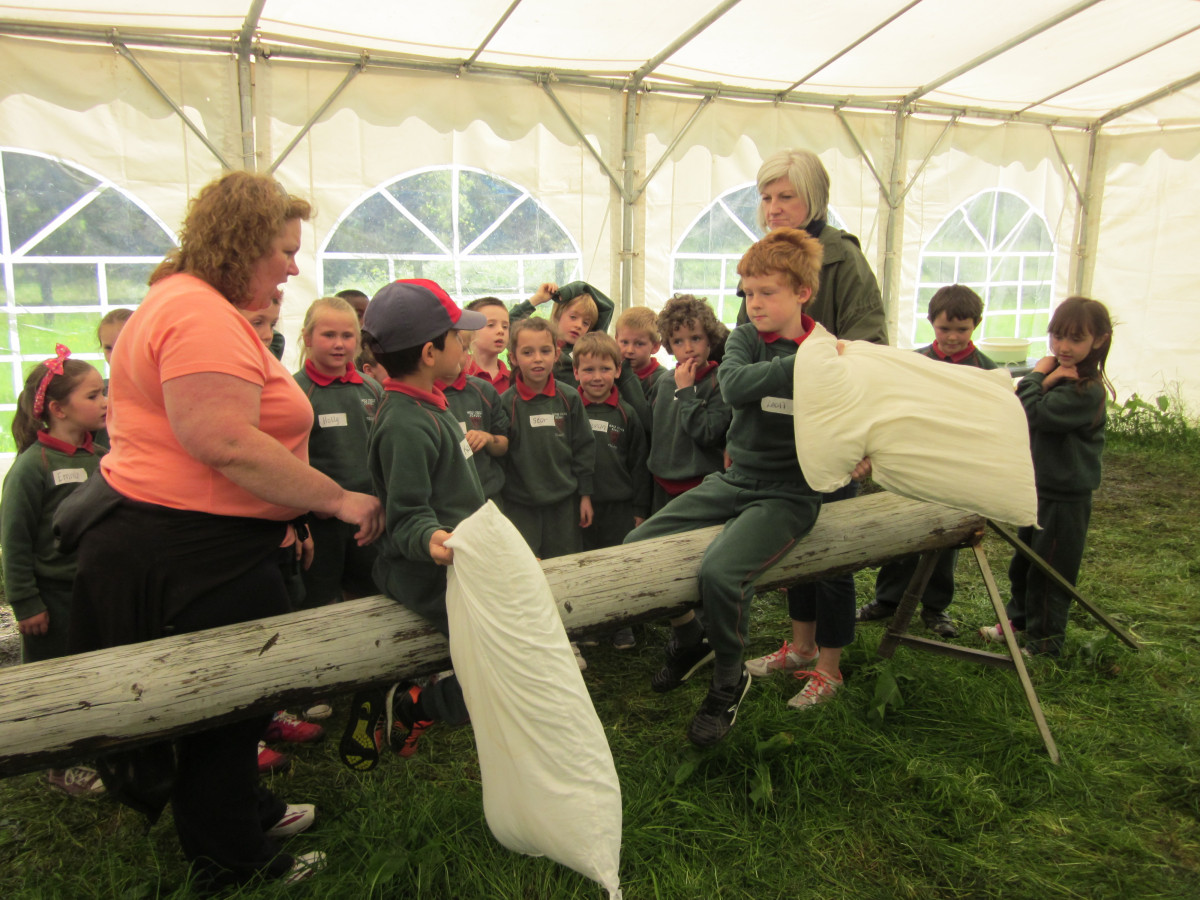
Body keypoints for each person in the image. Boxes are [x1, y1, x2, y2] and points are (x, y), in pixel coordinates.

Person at [65, 171, 383, 891]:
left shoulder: (186, 300)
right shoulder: (198, 315)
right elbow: (225, 443)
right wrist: (335, 500)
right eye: (285, 250)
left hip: (201, 541)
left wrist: (284, 514)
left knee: (238, 701)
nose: (294, 267)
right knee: (225, 705)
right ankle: (231, 861)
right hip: (191, 552)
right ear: (243, 243)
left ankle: (244, 812)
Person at [624, 229, 846, 746]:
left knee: (721, 572)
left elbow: (845, 411)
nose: (755, 303)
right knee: (637, 545)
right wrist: (803, 365)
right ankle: (689, 636)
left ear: (802, 293)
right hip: (734, 479)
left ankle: (728, 677)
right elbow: (737, 385)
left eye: (767, 292)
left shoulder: (826, 347)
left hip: (789, 494)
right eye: (747, 293)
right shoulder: (748, 339)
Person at [739, 148, 888, 687]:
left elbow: (869, 346)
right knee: (794, 543)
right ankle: (801, 646)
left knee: (831, 549)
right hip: (780, 432)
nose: (774, 208)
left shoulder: (842, 259)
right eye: (766, 197)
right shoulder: (761, 256)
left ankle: (830, 666)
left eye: (786, 196)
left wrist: (858, 437)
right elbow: (746, 342)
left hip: (832, 425)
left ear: (815, 199)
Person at [337, 279, 488, 769]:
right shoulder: (405, 422)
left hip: (457, 562)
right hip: (426, 573)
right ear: (429, 353)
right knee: (499, 660)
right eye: (457, 336)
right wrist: (432, 538)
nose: (464, 343)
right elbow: (407, 517)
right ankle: (416, 706)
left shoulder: (429, 403)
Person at [855, 285, 997, 638]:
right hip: (914, 463)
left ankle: (935, 607)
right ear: (931, 322)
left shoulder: (986, 370)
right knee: (901, 531)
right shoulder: (914, 363)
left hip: (956, 468)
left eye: (962, 329)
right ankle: (887, 599)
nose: (952, 337)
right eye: (944, 328)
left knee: (946, 538)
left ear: (976, 325)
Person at [981, 296, 1113, 658]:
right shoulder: (1061, 378)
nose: (1063, 347)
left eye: (1075, 339)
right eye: (1057, 336)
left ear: (1099, 340)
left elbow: (1030, 411)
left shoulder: (1085, 390)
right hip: (1038, 488)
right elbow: (1020, 403)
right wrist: (1047, 377)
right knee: (1024, 563)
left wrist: (1039, 374)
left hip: (1064, 495)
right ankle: (1020, 621)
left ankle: (1044, 644)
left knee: (1050, 572)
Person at [1, 347, 108, 796]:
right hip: (52, 599)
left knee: (94, 670)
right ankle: (58, 765)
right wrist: (26, 603)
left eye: (104, 393)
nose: (105, 402)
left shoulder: (101, 456)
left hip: (95, 590)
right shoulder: (33, 467)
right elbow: (15, 542)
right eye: (93, 395)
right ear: (59, 409)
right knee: (54, 680)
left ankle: (99, 745)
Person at [293, 296, 382, 611]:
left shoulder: (372, 389)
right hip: (320, 520)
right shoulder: (295, 392)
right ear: (307, 337)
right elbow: (288, 462)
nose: (339, 344)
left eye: (347, 336)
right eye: (328, 335)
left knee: (370, 594)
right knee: (320, 600)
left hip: (368, 515)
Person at [574, 332, 651, 649]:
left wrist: (639, 509)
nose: (597, 377)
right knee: (585, 564)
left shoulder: (627, 413)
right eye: (589, 369)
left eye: (605, 369)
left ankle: (622, 623)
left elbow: (640, 464)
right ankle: (590, 622)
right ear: (576, 372)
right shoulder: (569, 409)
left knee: (618, 564)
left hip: (619, 507)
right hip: (580, 506)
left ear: (618, 370)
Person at [647, 294, 731, 514]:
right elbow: (653, 430)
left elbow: (708, 433)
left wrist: (686, 391)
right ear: (669, 345)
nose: (688, 348)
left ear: (709, 339)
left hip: (700, 486)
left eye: (695, 338)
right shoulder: (664, 382)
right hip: (661, 484)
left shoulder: (720, 382)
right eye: (678, 341)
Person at [440, 331, 510, 508]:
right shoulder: (423, 395)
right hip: (444, 505)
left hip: (487, 500)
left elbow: (503, 444)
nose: (460, 355)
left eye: (464, 349)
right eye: (453, 348)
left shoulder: (483, 390)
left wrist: (487, 438)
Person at [616, 305, 670, 401]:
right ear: (616, 340)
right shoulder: (610, 373)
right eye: (624, 342)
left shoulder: (662, 380)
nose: (630, 350)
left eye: (639, 344)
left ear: (655, 347)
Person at [463, 296, 512, 394]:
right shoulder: (458, 373)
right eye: (491, 325)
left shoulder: (513, 380)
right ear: (469, 331)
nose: (501, 331)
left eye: (505, 326)